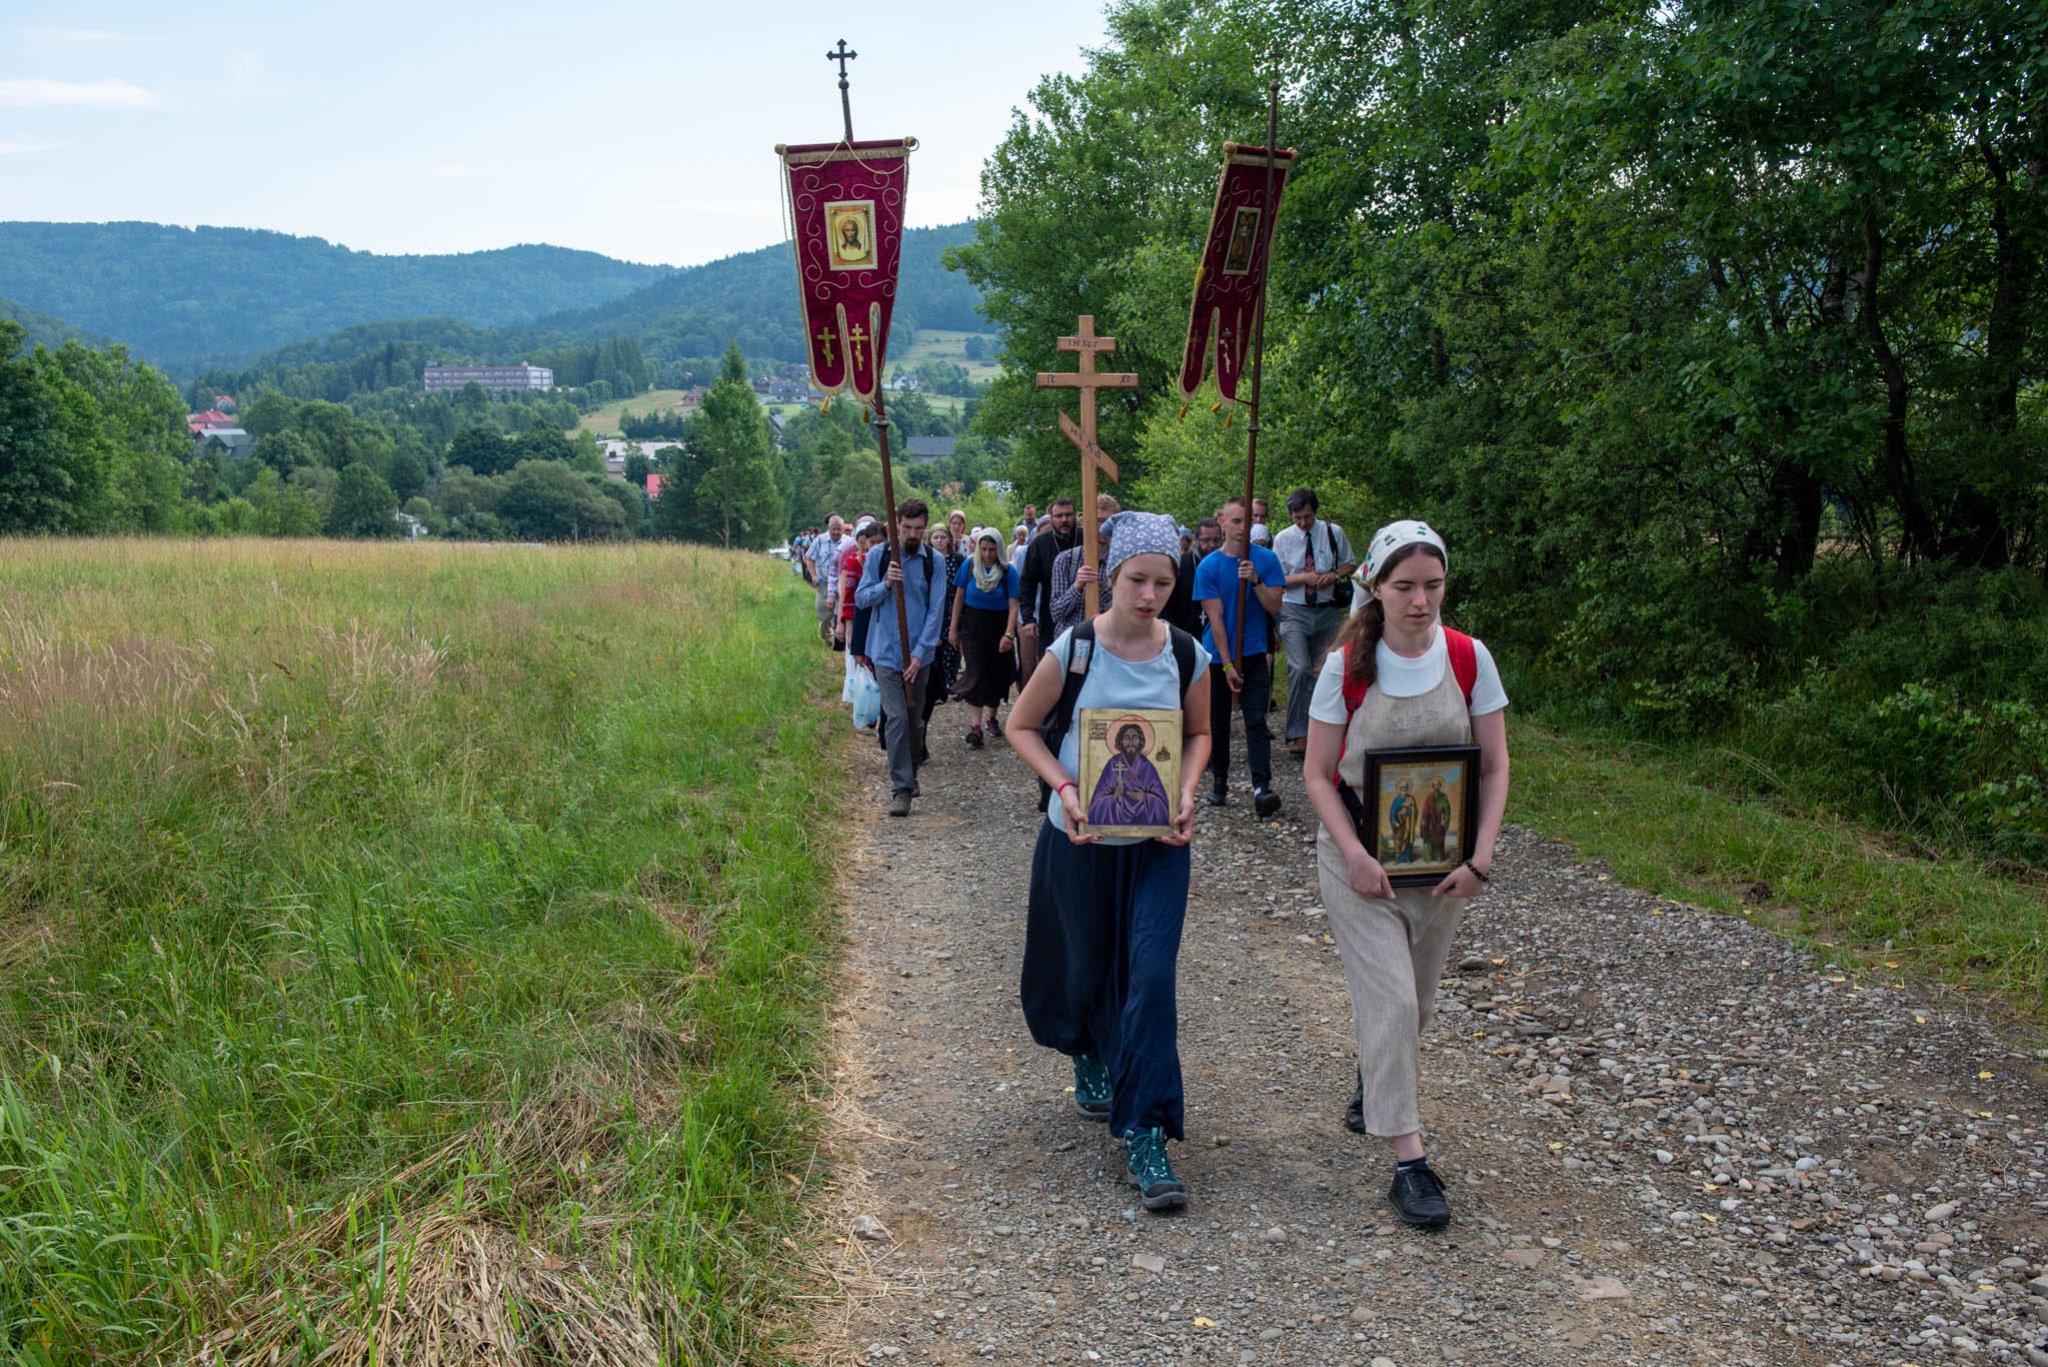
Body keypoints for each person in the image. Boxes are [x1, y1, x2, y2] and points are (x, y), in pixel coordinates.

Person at [1300, 519, 1510, 1229]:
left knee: (1415, 1006)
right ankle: (1410, 1165)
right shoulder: (1347, 667)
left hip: (1443, 868)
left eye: (1433, 585)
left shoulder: (1470, 658)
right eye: (1405, 586)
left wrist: (1481, 857)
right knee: (1390, 1003)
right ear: (1377, 587)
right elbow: (1318, 773)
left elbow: (1495, 763)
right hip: (1359, 863)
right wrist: (1355, 855)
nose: (1420, 600)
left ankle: (1376, 1074)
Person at [1007, 512, 1212, 1212]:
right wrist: (1064, 788)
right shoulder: (1077, 649)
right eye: (1137, 580)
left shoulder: (1186, 654)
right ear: (1112, 577)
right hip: (1079, 840)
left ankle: (1147, 1130)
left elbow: (1202, 733)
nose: (1150, 594)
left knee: (1150, 979)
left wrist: (1184, 793)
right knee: (1082, 964)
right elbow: (1021, 725)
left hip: (1158, 847)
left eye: (1163, 581)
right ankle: (1086, 1051)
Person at [1194, 498, 1287, 816]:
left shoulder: (1266, 560)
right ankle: (1219, 782)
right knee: (1218, 723)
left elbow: (1275, 607)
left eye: (1246, 522)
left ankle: (1262, 786)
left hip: (1255, 652)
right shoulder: (1208, 567)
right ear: (1222, 522)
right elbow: (1215, 620)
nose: (1241, 528)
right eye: (1235, 521)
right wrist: (1228, 664)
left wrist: (1255, 581)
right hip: (1219, 657)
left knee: (1256, 720)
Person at [853, 501, 946, 817]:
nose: (913, 534)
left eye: (919, 529)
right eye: (907, 528)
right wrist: (886, 584)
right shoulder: (880, 557)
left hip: (920, 655)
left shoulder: (934, 562)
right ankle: (901, 789)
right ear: (896, 524)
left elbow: (936, 611)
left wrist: (919, 656)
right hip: (886, 653)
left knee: (914, 719)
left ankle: (913, 769)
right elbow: (862, 598)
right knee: (895, 718)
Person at [1272, 488, 1358, 756]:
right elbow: (1277, 578)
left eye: (1307, 517)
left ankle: (1323, 731)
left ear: (1315, 512)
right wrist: (1304, 578)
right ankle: (1297, 733)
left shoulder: (1333, 532)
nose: (1302, 523)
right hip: (1295, 609)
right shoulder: (1283, 539)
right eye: (1297, 518)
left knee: (1325, 669)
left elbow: (1349, 564)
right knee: (1299, 666)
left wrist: (1332, 575)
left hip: (1327, 609)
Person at [949, 526, 1020, 746]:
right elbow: (958, 598)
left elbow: (1013, 606)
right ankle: (975, 726)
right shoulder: (969, 565)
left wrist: (1008, 634)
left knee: (997, 673)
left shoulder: (1009, 571)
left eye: (992, 549)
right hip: (972, 625)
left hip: (998, 626)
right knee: (976, 671)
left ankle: (992, 717)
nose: (988, 554)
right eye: (984, 549)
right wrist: (953, 628)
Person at [1017, 497, 1079, 691]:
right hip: (1050, 618)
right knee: (1051, 668)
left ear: (1075, 516)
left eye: (1068, 515)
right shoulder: (1040, 544)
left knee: (1079, 669)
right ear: (1051, 518)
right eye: (1059, 516)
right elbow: (1027, 584)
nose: (1064, 520)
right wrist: (1028, 619)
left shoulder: (1087, 540)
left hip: (1084, 614)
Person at [1047, 509, 1120, 641]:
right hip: (1070, 643)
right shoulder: (1066, 559)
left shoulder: (1121, 564)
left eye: (1111, 521)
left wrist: (1107, 617)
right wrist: (1077, 586)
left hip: (1106, 644)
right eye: (1100, 521)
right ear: (1087, 523)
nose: (1106, 527)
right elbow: (1056, 612)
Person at [926, 526, 967, 727]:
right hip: (934, 606)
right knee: (935, 647)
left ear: (949, 539)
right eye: (936, 537)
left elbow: (961, 587)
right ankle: (938, 686)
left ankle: (952, 682)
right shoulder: (928, 559)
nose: (940, 541)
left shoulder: (957, 559)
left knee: (952, 646)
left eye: (943, 537)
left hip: (952, 605)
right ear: (930, 539)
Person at [812, 513, 846, 642]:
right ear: (829, 528)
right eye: (834, 529)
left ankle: (835, 639)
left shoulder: (848, 541)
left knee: (838, 610)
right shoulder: (820, 540)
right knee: (824, 612)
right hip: (824, 582)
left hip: (842, 582)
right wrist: (814, 576)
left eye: (839, 529)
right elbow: (808, 559)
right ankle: (825, 634)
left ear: (843, 529)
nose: (836, 532)